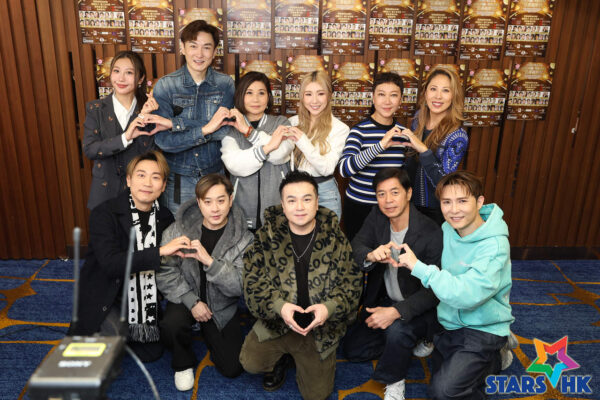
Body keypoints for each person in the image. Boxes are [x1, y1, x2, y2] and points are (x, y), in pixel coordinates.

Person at [239, 171, 362, 400]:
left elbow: (352, 286)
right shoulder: (266, 237)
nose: (299, 207)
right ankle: (281, 359)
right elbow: (253, 285)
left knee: (317, 395)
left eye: (307, 199)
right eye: (292, 200)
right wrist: (280, 307)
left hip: (319, 328)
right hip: (278, 322)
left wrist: (327, 309)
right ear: (283, 205)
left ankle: (307, 358)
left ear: (317, 201)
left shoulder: (335, 238)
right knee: (250, 362)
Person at [396, 171, 514, 399]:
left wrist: (418, 267)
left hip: (483, 327)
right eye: (447, 202)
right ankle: (494, 359)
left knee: (443, 392)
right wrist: (400, 256)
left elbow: (467, 295)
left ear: (479, 202)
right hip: (450, 322)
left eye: (462, 201)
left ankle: (496, 350)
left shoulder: (494, 246)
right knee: (442, 375)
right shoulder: (449, 229)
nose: (454, 210)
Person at [70, 151, 189, 362]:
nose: (147, 183)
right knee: (109, 349)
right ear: (128, 180)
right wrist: (160, 251)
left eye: (155, 177)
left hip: (143, 298)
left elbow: (171, 266)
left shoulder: (164, 216)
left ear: (163, 186)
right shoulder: (104, 213)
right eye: (141, 175)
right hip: (107, 293)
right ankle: (92, 329)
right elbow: (111, 264)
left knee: (152, 354)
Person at [343, 167, 443, 400]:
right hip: (385, 299)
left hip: (421, 305)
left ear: (409, 193)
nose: (388, 200)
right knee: (353, 349)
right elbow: (356, 245)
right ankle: (406, 342)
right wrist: (370, 255)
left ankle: (395, 380)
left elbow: (434, 292)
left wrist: (396, 313)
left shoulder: (431, 231)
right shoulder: (377, 217)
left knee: (398, 331)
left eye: (395, 192)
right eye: (381, 194)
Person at [157, 173, 253, 391]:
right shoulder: (178, 229)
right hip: (185, 299)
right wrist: (192, 302)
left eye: (221, 200)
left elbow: (240, 286)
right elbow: (164, 271)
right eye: (207, 202)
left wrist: (210, 262)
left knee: (232, 368)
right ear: (199, 203)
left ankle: (207, 330)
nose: (215, 209)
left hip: (221, 307)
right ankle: (183, 363)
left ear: (231, 199)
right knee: (170, 326)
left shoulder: (245, 238)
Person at [144, 20, 235, 214]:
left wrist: (174, 124)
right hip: (178, 178)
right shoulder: (166, 86)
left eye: (206, 47)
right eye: (193, 46)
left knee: (214, 227)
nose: (199, 54)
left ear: (215, 51)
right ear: (182, 47)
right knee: (180, 229)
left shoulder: (225, 84)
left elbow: (225, 130)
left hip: (214, 175)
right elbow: (164, 141)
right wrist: (206, 129)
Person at [83, 51, 159, 210]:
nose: (121, 78)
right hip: (104, 196)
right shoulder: (95, 109)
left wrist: (144, 116)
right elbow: (90, 149)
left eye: (129, 73)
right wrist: (124, 138)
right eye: (116, 71)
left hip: (141, 195)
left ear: (141, 78)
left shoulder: (149, 109)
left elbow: (152, 155)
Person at [338, 72, 407, 240]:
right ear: (373, 98)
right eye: (381, 94)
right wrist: (381, 145)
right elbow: (344, 169)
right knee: (359, 253)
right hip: (359, 207)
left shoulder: (404, 134)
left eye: (393, 95)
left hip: (390, 209)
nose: (387, 101)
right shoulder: (359, 131)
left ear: (400, 100)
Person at [220, 71, 291, 231]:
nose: (256, 99)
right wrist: (269, 146)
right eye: (249, 93)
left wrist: (249, 132)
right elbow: (236, 165)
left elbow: (280, 154)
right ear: (240, 96)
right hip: (242, 209)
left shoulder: (281, 123)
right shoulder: (230, 128)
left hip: (279, 206)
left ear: (269, 97)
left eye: (261, 93)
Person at [402, 65, 469, 225]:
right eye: (433, 89)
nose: (438, 96)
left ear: (453, 96)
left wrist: (424, 150)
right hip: (407, 204)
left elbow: (443, 183)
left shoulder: (457, 136)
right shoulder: (418, 120)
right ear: (425, 93)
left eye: (445, 90)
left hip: (433, 211)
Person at [287, 70, 350, 218]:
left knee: (326, 234)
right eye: (308, 94)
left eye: (320, 94)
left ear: (329, 95)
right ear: (302, 97)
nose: (314, 100)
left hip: (324, 194)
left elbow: (326, 169)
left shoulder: (340, 128)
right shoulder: (292, 122)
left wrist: (302, 140)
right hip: (295, 191)